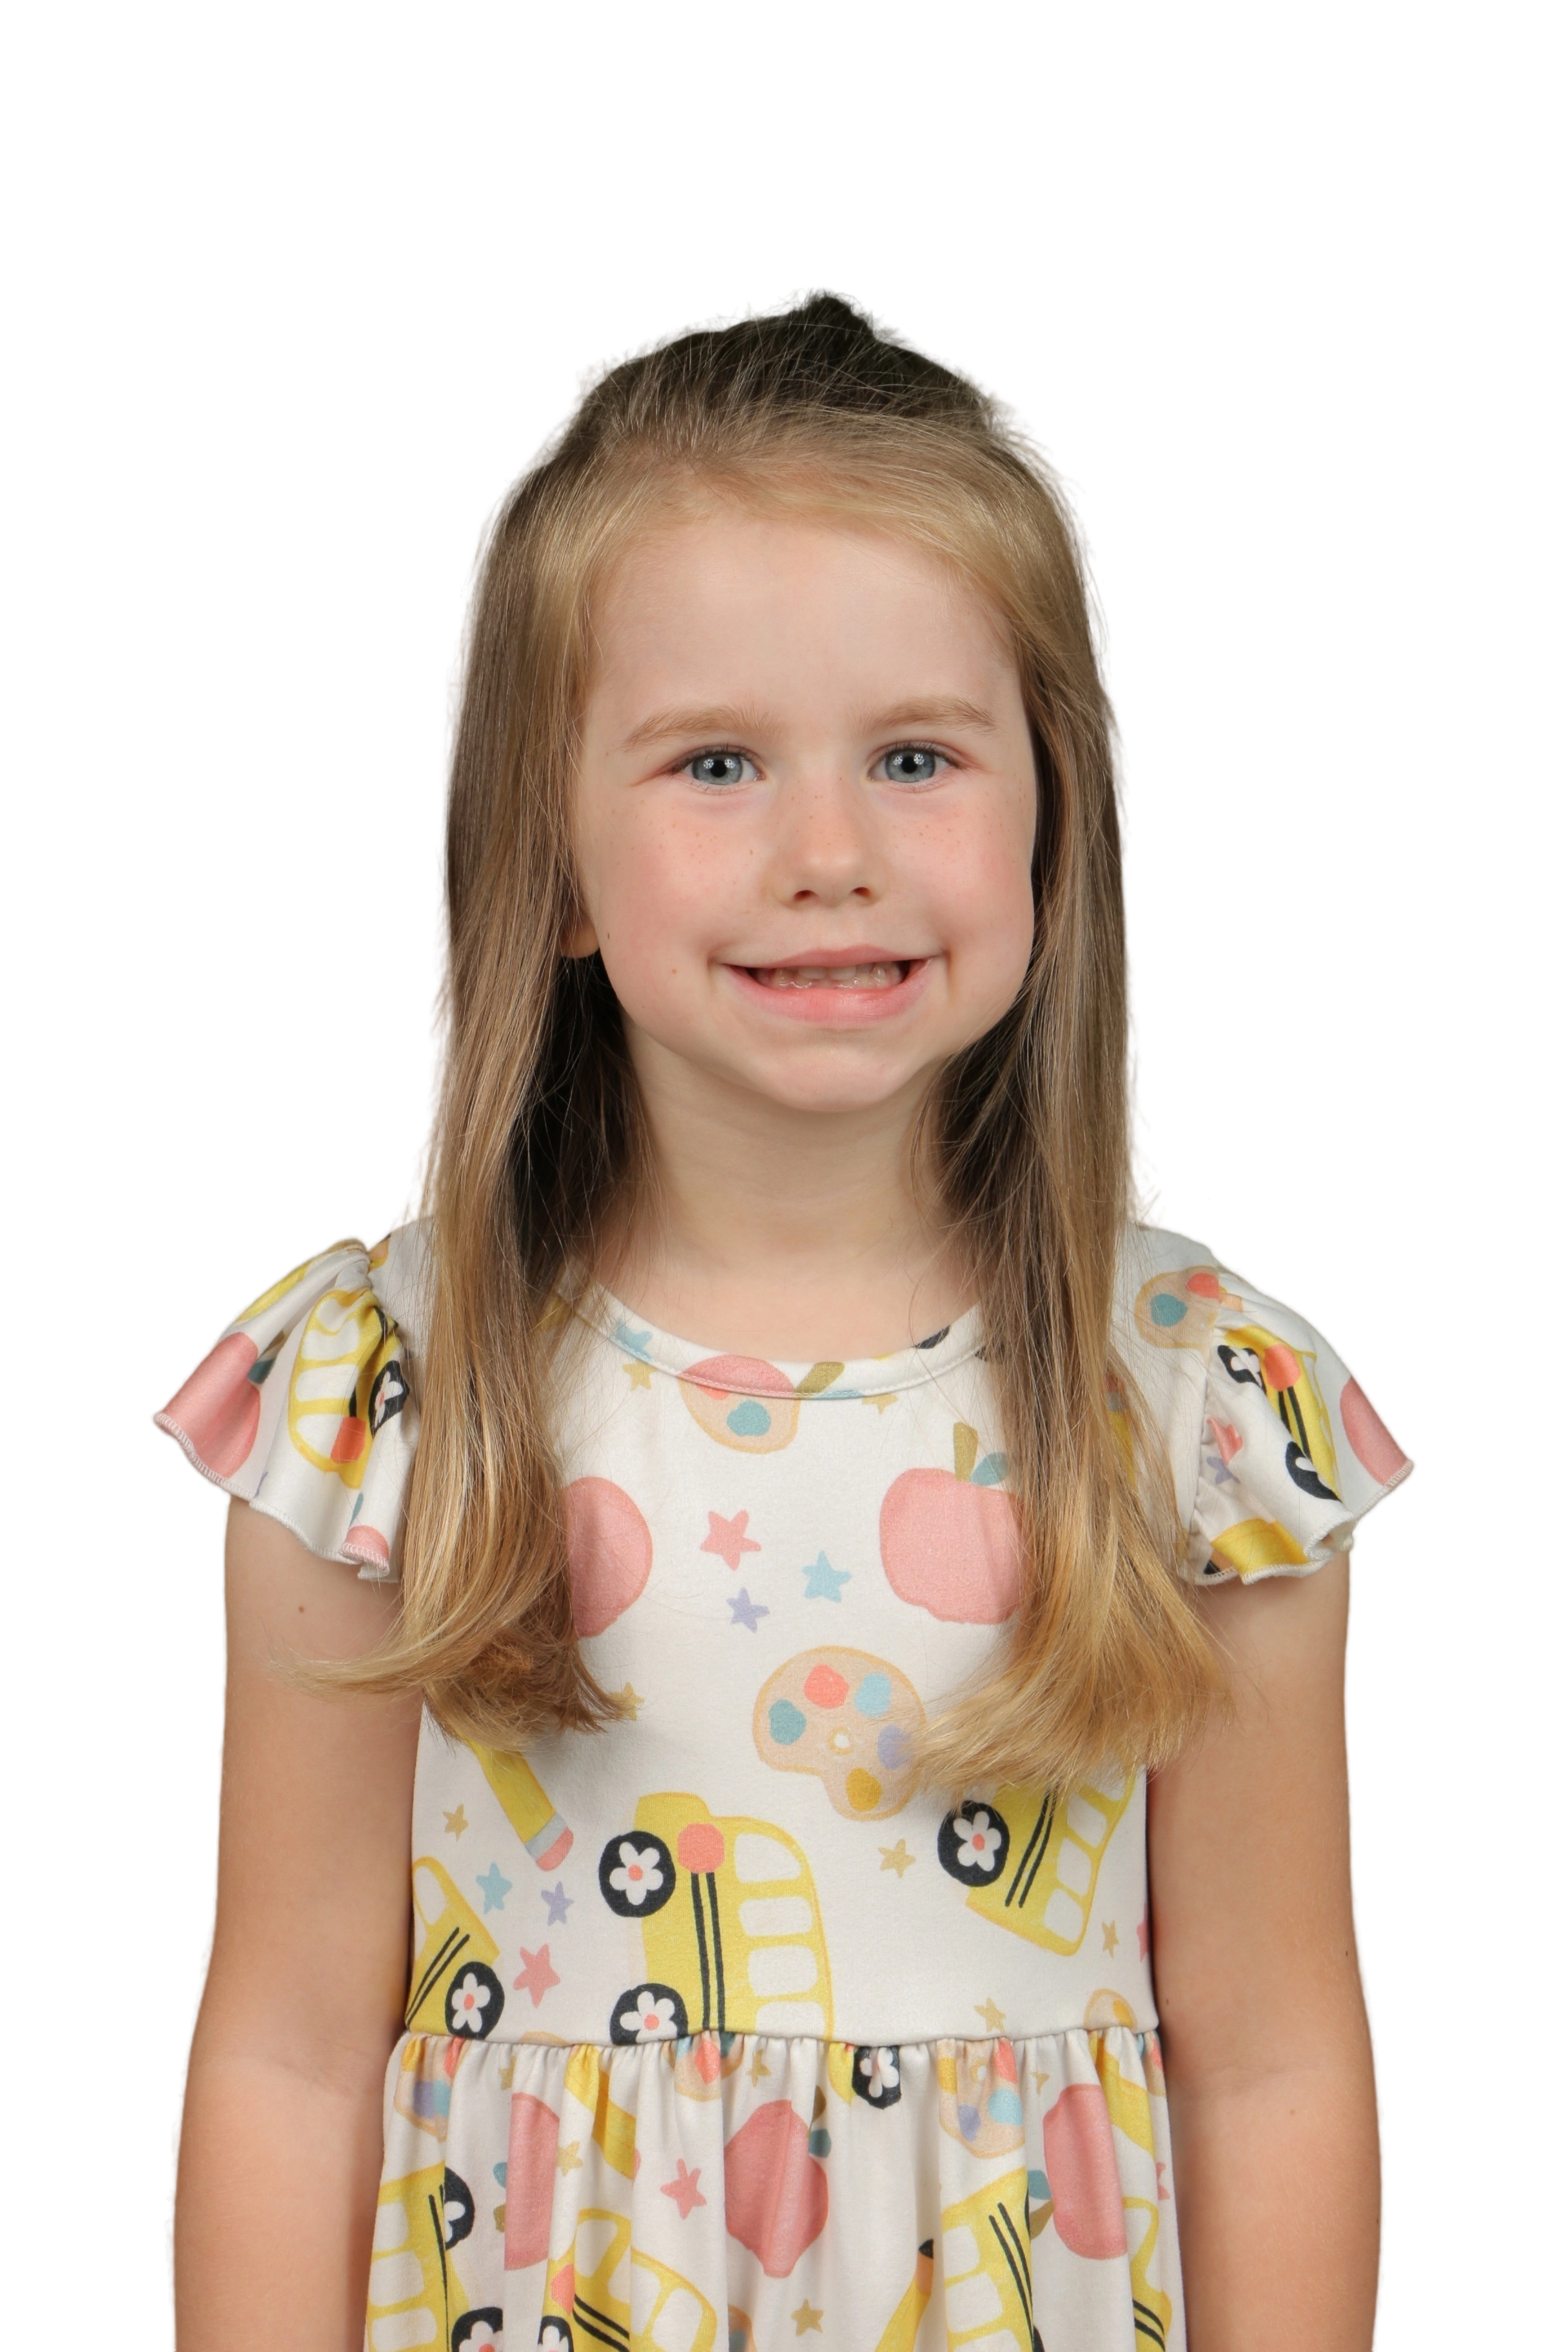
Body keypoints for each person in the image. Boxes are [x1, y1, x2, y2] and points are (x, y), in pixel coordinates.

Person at [150, 286, 1417, 2352]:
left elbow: (1271, 2057)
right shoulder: (392, 1398)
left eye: (917, 756)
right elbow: (290, 2051)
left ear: (1053, 818)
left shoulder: (1199, 1405)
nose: (831, 854)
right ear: (555, 858)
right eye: (717, 762)